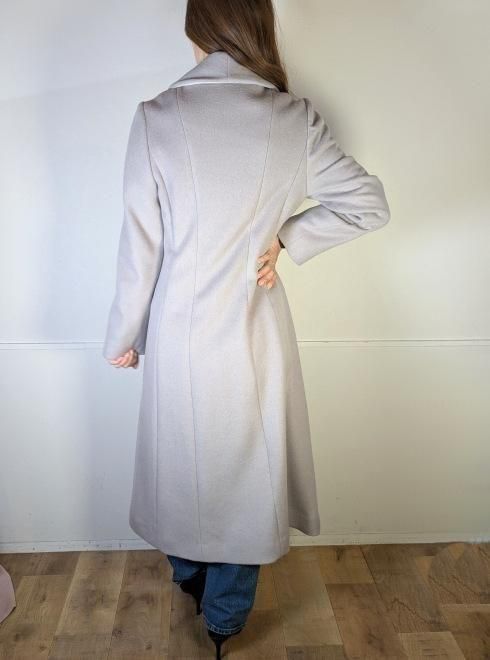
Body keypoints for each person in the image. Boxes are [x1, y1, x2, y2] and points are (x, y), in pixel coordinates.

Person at [102, 0, 391, 656]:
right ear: (257, 25)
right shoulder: (293, 119)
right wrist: (287, 236)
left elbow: (140, 246)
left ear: (197, 28)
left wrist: (123, 334)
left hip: (179, 328)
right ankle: (226, 620)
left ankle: (191, 579)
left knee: (181, 463)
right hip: (254, 325)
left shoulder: (157, 118)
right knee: (246, 473)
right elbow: (368, 204)